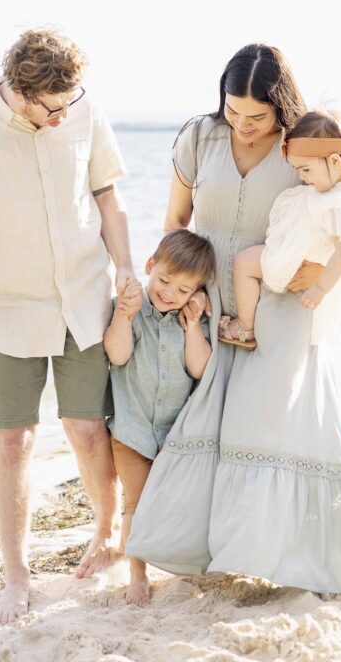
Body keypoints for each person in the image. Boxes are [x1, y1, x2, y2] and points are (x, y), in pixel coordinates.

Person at [126, 43, 341, 594]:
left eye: (257, 116)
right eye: (233, 112)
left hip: (278, 312)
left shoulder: (304, 141)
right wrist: (180, 288)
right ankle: (220, 554)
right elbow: (176, 220)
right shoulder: (198, 138)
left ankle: (309, 558)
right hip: (208, 309)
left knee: (277, 429)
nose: (244, 125)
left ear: (281, 107)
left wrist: (321, 270)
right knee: (209, 429)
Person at [0, 27, 135, 624]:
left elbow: (108, 198)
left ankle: (107, 534)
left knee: (88, 430)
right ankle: (17, 575)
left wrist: (126, 269)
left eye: (71, 103)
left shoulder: (81, 110)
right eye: (51, 108)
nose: (65, 116)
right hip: (5, 312)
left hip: (85, 301)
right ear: (17, 89)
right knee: (14, 441)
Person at [104, 230, 215, 605]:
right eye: (164, 281)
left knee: (168, 501)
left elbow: (199, 368)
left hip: (173, 434)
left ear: (197, 291)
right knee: (137, 502)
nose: (169, 293)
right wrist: (123, 314)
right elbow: (117, 355)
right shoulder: (134, 311)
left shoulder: (191, 321)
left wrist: (191, 328)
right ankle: (137, 572)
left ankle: (164, 553)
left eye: (184, 290)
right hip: (132, 430)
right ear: (150, 267)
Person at [224, 109, 341, 350]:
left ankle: (245, 327)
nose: (302, 177)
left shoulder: (339, 204)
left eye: (306, 170)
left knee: (244, 264)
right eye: (297, 169)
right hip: (305, 251)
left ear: (334, 161)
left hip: (297, 257)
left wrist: (321, 288)